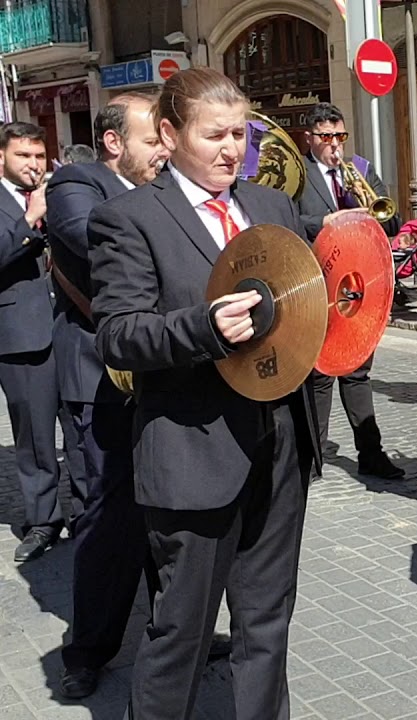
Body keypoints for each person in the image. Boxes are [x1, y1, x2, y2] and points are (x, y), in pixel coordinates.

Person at [87, 67, 321, 719]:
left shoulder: (272, 207)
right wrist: (204, 327)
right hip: (193, 454)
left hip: (280, 444)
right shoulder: (130, 218)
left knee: (267, 627)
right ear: (168, 133)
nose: (232, 149)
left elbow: (305, 304)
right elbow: (119, 335)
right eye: (214, 134)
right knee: (181, 633)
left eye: (240, 134)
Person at [46, 91, 177, 699]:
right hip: (99, 379)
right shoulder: (77, 181)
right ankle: (88, 650)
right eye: (153, 140)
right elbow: (85, 236)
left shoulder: (161, 187)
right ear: (114, 142)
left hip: (156, 369)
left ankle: (171, 628)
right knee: (108, 514)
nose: (163, 151)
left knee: (164, 508)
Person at [296, 102, 404, 479]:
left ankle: (370, 454)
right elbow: (287, 221)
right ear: (310, 138)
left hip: (358, 285)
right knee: (321, 374)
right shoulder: (299, 174)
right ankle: (313, 456)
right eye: (326, 138)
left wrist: (363, 206)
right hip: (319, 283)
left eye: (339, 136)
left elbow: (390, 221)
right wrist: (323, 222)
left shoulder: (360, 171)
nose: (334, 145)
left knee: (358, 371)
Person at [0, 122, 78, 563]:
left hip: (69, 329)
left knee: (81, 430)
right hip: (22, 339)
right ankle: (43, 520)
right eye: (22, 156)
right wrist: (30, 219)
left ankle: (88, 513)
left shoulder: (58, 195)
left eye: (37, 156)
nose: (32, 165)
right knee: (35, 440)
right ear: (1, 158)